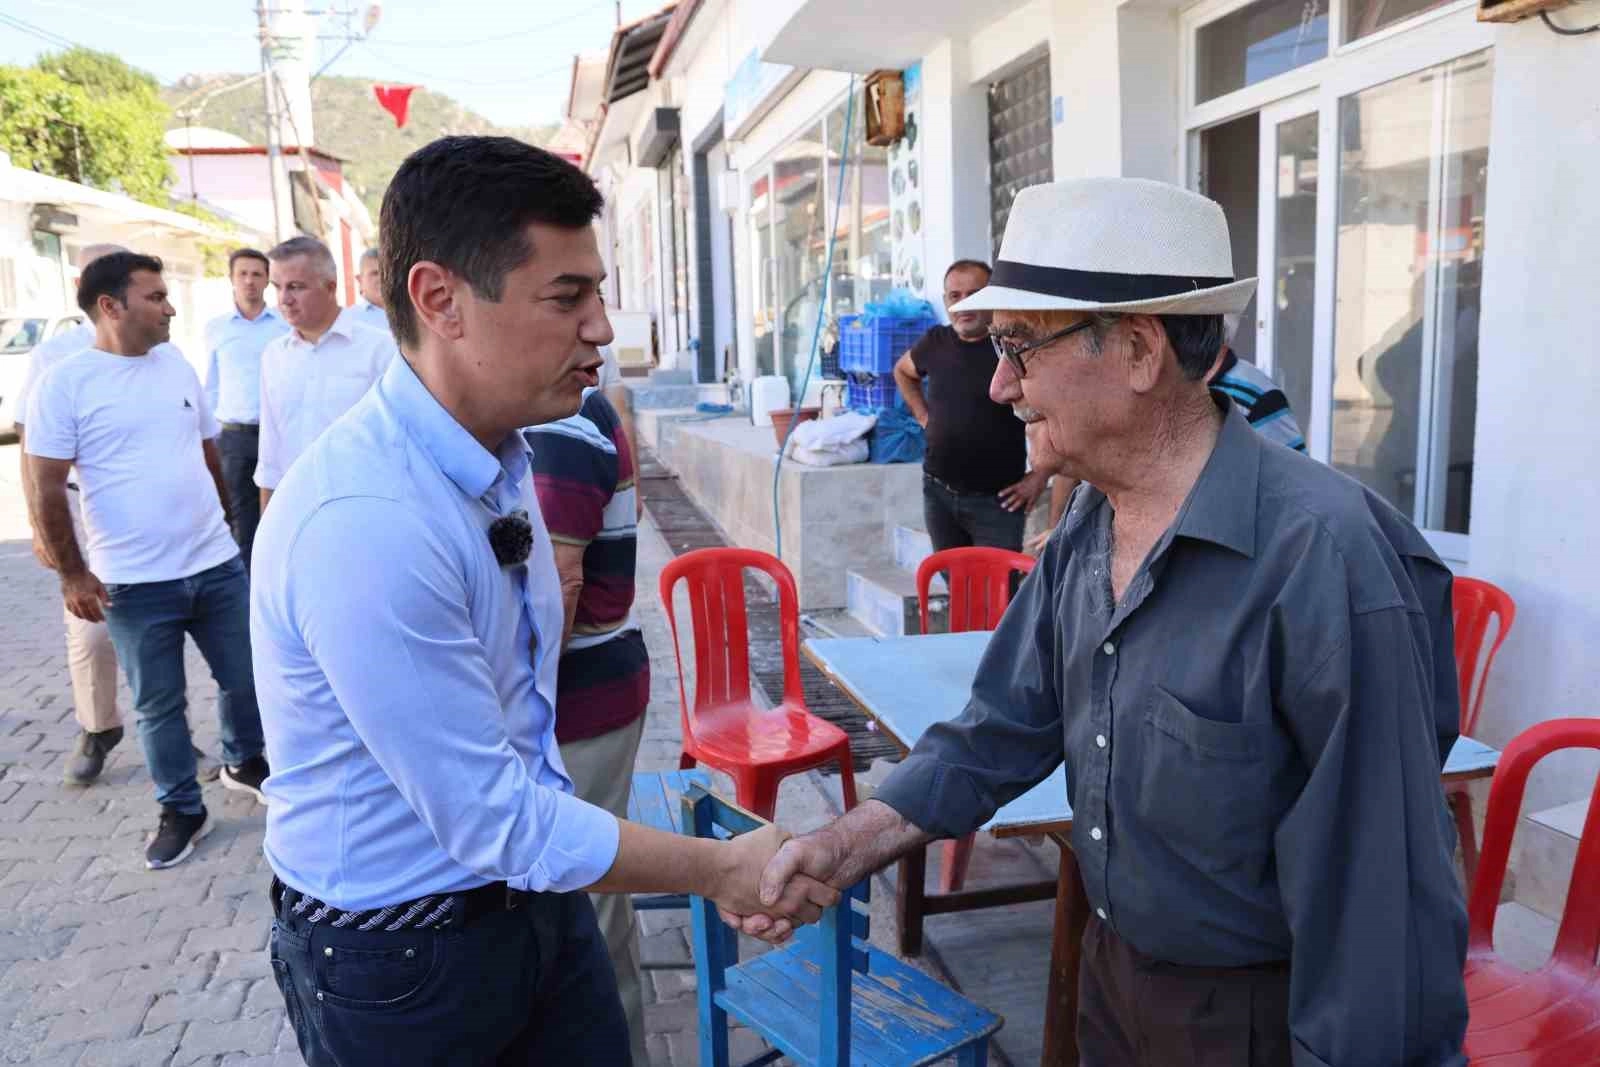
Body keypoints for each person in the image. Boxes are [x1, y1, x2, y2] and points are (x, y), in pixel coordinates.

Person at [734, 179, 1469, 1066]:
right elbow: (999, 728)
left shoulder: (1325, 558)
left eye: (1019, 345)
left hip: (1255, 1021)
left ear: (1136, 349)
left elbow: (1381, 912)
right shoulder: (1090, 520)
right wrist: (846, 843)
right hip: (1111, 975)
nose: (1000, 384)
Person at [252, 136, 833, 1066]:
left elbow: (522, 740)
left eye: (597, 292)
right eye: (567, 298)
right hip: (407, 961)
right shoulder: (366, 521)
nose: (601, 328)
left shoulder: (504, 450)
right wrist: (721, 867)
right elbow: (492, 818)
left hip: (535, 900)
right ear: (440, 300)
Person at [26, 252, 269, 868]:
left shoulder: (175, 363)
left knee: (247, 677)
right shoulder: (66, 382)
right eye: (156, 297)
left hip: (215, 566)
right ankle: (182, 810)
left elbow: (208, 450)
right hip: (134, 583)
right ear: (111, 306)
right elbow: (45, 485)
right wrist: (72, 574)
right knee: (159, 706)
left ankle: (245, 760)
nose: (170, 307)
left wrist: (224, 524)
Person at [527, 387, 651, 1066]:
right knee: (593, 898)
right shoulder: (553, 412)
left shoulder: (561, 418)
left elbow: (560, 583)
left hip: (577, 699)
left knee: (587, 908)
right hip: (583, 694)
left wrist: (521, 706)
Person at [893, 259, 1049, 553]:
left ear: (993, 296)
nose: (963, 304)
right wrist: (923, 416)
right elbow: (903, 371)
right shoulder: (935, 342)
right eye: (955, 295)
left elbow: (1054, 413)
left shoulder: (1014, 348)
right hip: (938, 491)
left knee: (996, 581)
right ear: (945, 301)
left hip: (998, 502)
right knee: (952, 575)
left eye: (974, 295)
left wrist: (1041, 475)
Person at [255, 236, 395, 514]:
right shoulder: (274, 356)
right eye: (277, 287)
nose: (284, 299)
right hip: (296, 507)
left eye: (296, 287)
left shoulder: (381, 350)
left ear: (330, 287)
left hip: (365, 506)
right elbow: (270, 451)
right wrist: (267, 521)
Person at [203, 248, 290, 569]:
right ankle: (249, 588)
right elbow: (211, 385)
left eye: (257, 274)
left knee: (283, 511)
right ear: (231, 279)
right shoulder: (217, 328)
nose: (249, 281)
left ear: (267, 280)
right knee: (242, 520)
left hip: (279, 433)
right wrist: (211, 436)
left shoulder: (284, 324)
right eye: (242, 274)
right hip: (235, 438)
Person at [349, 246, 389, 332]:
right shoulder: (349, 319)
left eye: (387, 272)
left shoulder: (411, 313)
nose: (383, 278)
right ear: (360, 280)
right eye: (375, 273)